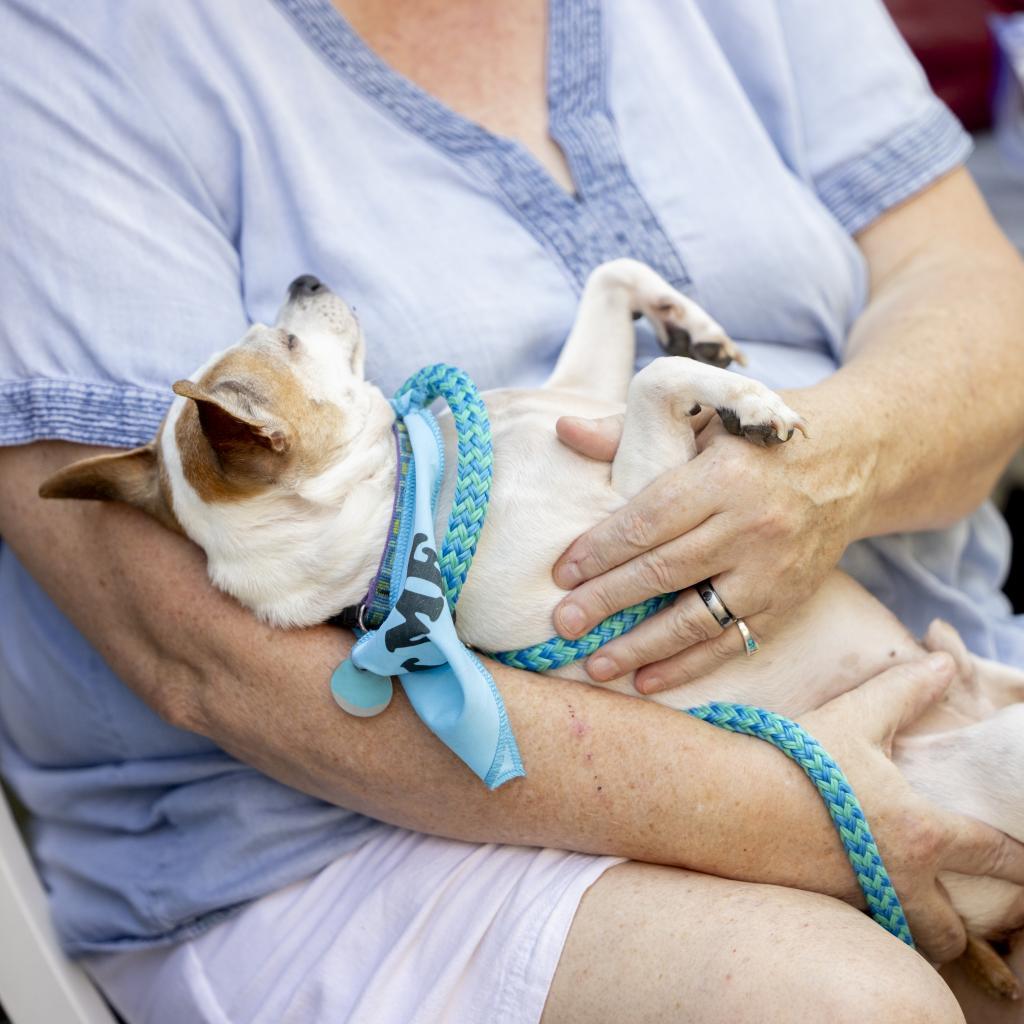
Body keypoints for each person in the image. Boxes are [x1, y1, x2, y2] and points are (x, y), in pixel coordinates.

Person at [2, 0, 1023, 1020]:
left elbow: (977, 300)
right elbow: (206, 659)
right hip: (368, 829)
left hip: (927, 662)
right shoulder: (64, 55)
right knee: (837, 1005)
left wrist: (838, 457)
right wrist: (819, 817)